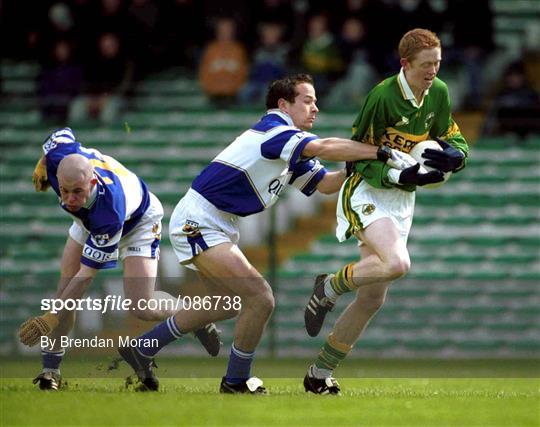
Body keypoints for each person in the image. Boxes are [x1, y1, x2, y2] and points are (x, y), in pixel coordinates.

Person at [117, 73, 425, 393]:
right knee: (260, 297)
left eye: (316, 102)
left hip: (215, 222)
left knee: (225, 304)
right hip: (201, 220)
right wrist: (378, 152)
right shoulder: (276, 130)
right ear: (283, 104)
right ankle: (236, 380)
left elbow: (324, 185)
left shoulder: (286, 145)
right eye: (307, 101)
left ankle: (142, 349)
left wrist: (355, 169)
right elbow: (324, 146)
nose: (315, 108)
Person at [302, 28, 469, 394]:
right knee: (398, 264)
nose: (433, 72)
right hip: (368, 189)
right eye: (426, 65)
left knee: (373, 297)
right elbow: (356, 156)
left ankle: (318, 374)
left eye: (438, 64)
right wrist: (398, 173)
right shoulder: (381, 97)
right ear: (405, 64)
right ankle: (329, 285)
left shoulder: (438, 93)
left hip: (401, 199)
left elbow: (452, 137)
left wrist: (457, 156)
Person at [19, 128, 220, 391]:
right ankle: (50, 371)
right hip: (86, 219)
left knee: (142, 306)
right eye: (65, 191)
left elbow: (85, 276)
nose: (69, 199)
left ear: (91, 183)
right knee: (63, 294)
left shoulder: (108, 212)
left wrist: (51, 318)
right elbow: (62, 134)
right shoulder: (60, 158)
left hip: (138, 222)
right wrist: (44, 161)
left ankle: (195, 316)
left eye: (77, 191)